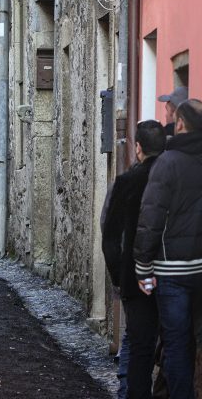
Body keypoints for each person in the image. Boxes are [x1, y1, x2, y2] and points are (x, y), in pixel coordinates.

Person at [134, 99, 202, 399]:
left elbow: (151, 217)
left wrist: (143, 267)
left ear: (182, 124)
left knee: (176, 344)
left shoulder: (168, 162)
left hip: (171, 270)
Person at [102, 120, 166, 399]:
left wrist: (120, 276)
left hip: (134, 277)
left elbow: (110, 234)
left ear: (138, 148)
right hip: (172, 273)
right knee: (175, 343)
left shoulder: (128, 181)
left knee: (140, 346)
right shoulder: (174, 178)